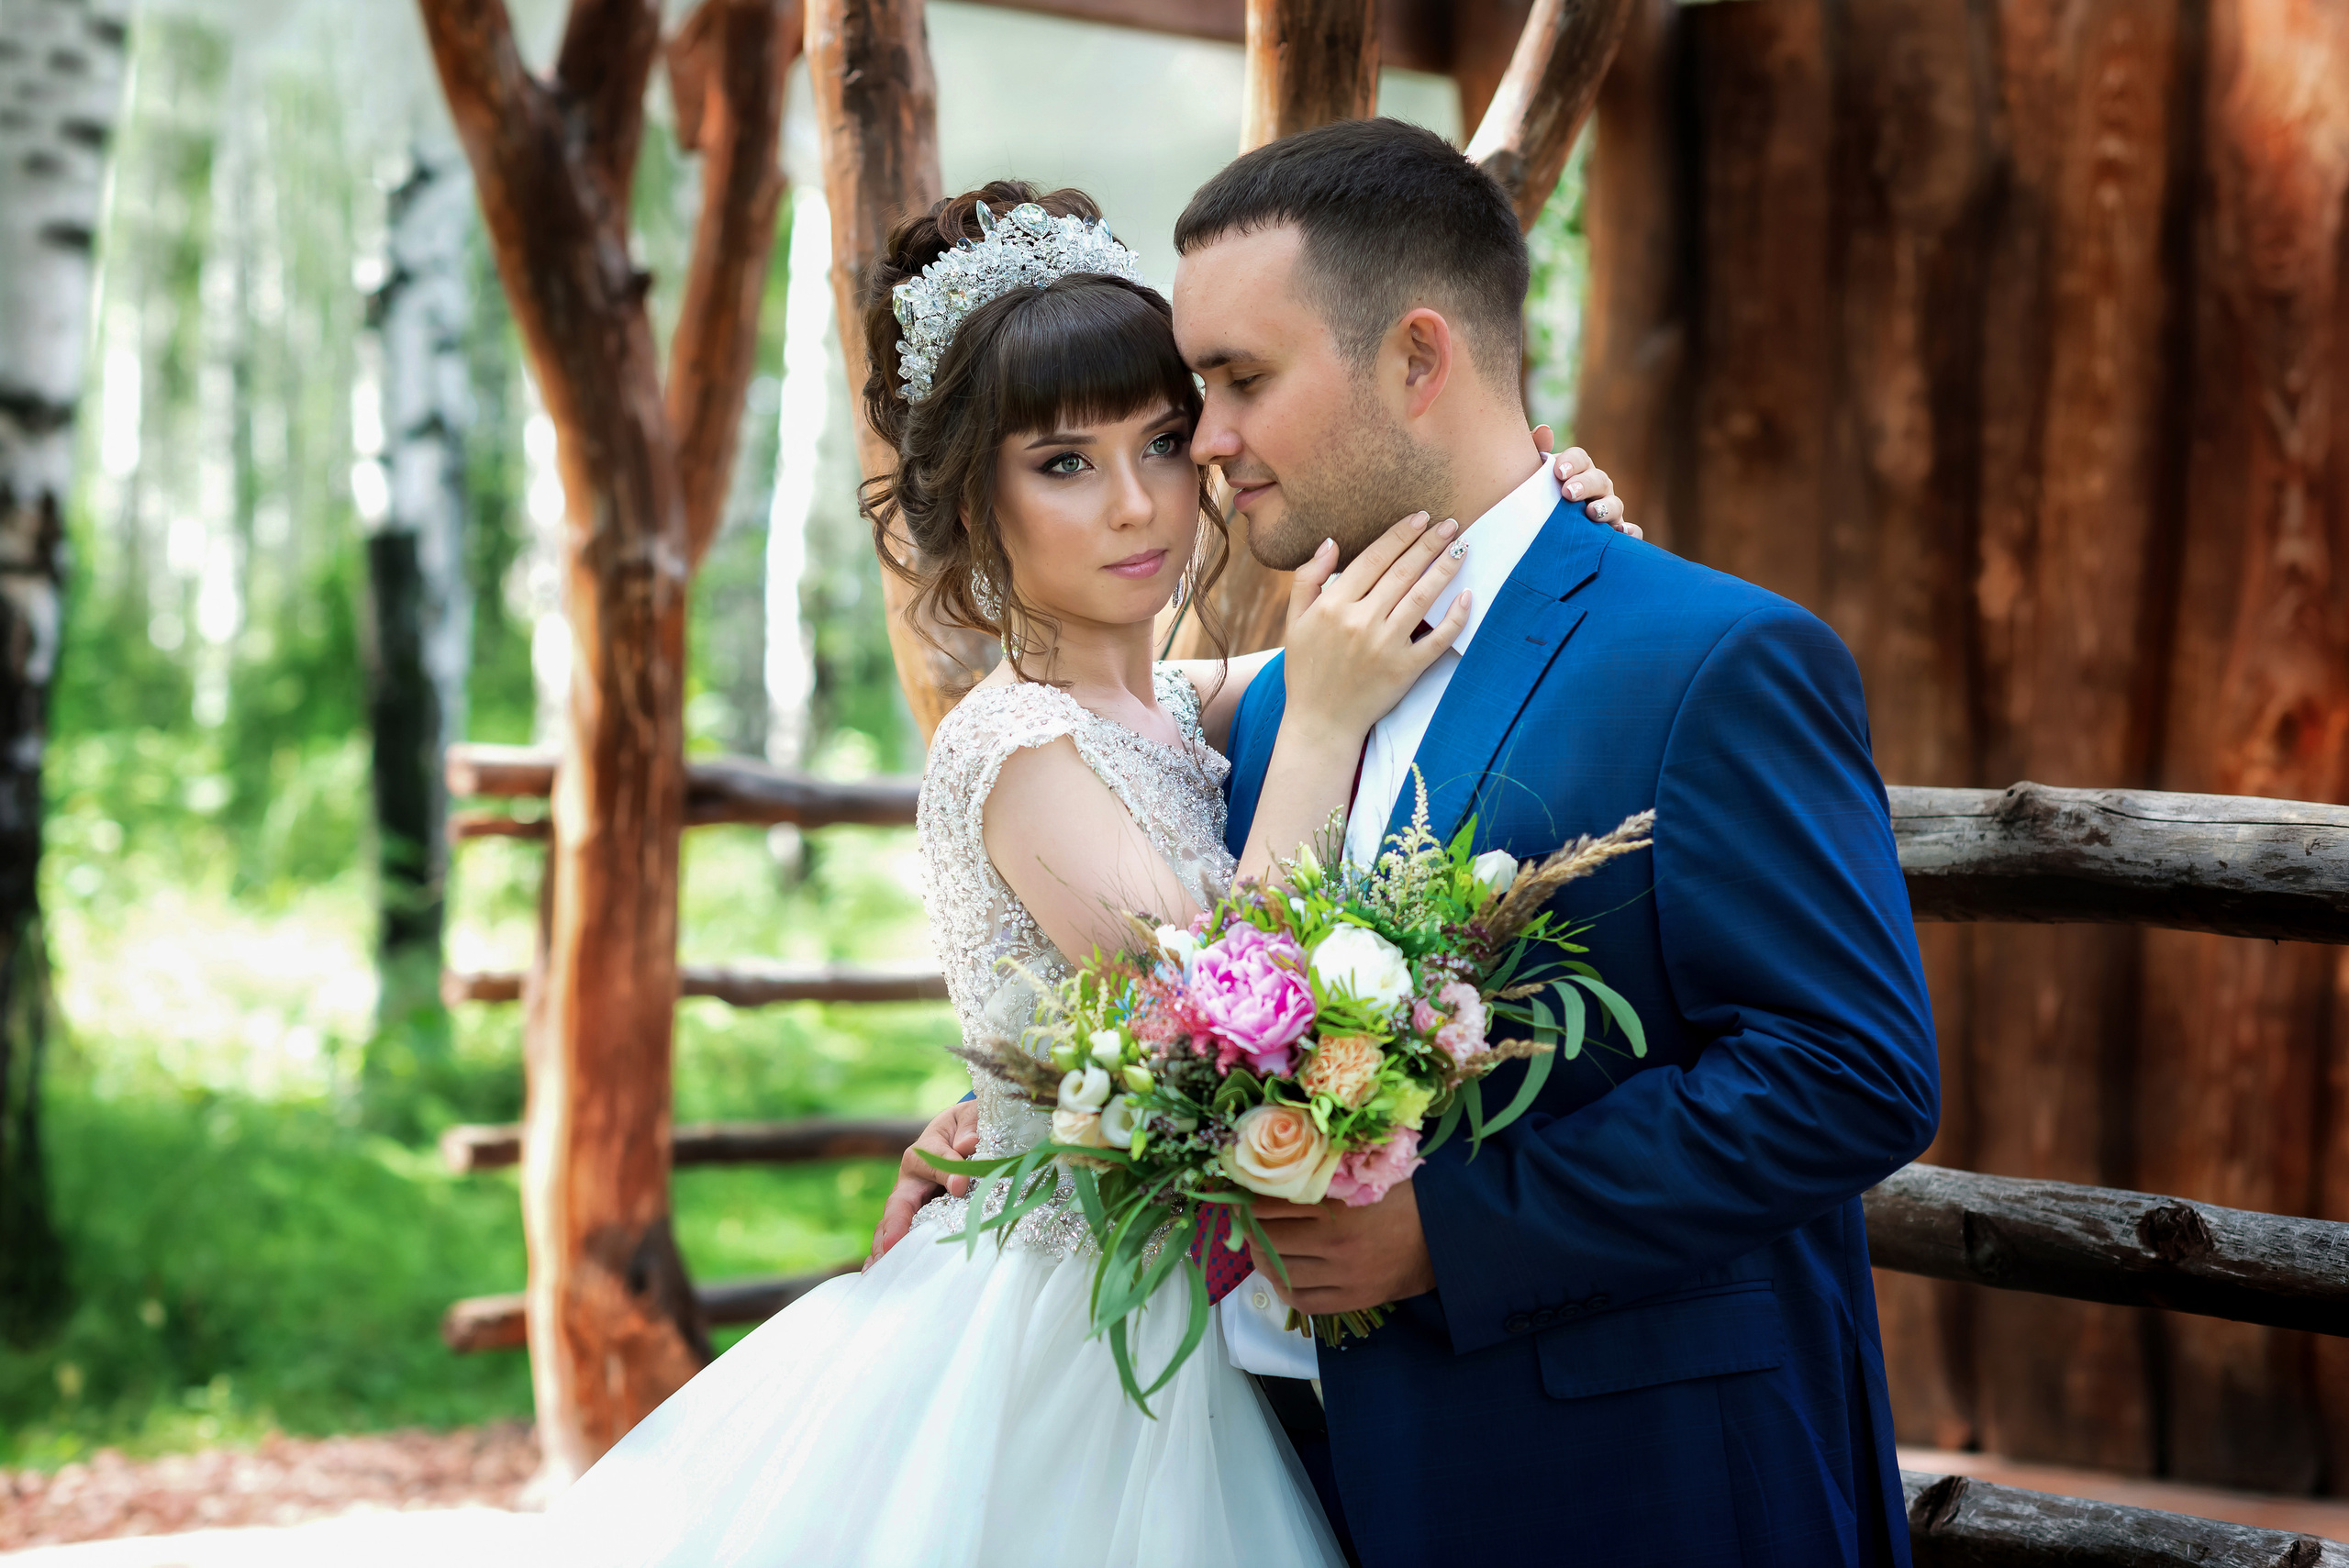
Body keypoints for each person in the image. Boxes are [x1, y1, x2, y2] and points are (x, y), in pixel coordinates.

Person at [885, 122, 1941, 1568]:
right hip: (1290, 1473)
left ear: (1418, 359)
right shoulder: (1270, 718)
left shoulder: (1710, 658)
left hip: (1651, 1490)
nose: (1199, 442)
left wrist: (1453, 1228)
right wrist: (1015, 1123)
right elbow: (1168, 984)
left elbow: (1853, 1073)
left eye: (1235, 382)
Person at [536, 175, 1630, 1567]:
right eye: (1063, 463)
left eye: (1164, 442)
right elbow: (1234, 1028)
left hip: (1187, 1316)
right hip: (1062, 1345)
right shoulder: (1017, 750)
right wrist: (1331, 723)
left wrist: (1540, 505)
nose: (1136, 505)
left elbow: (1393, 625)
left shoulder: (1171, 708)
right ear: (975, 501)